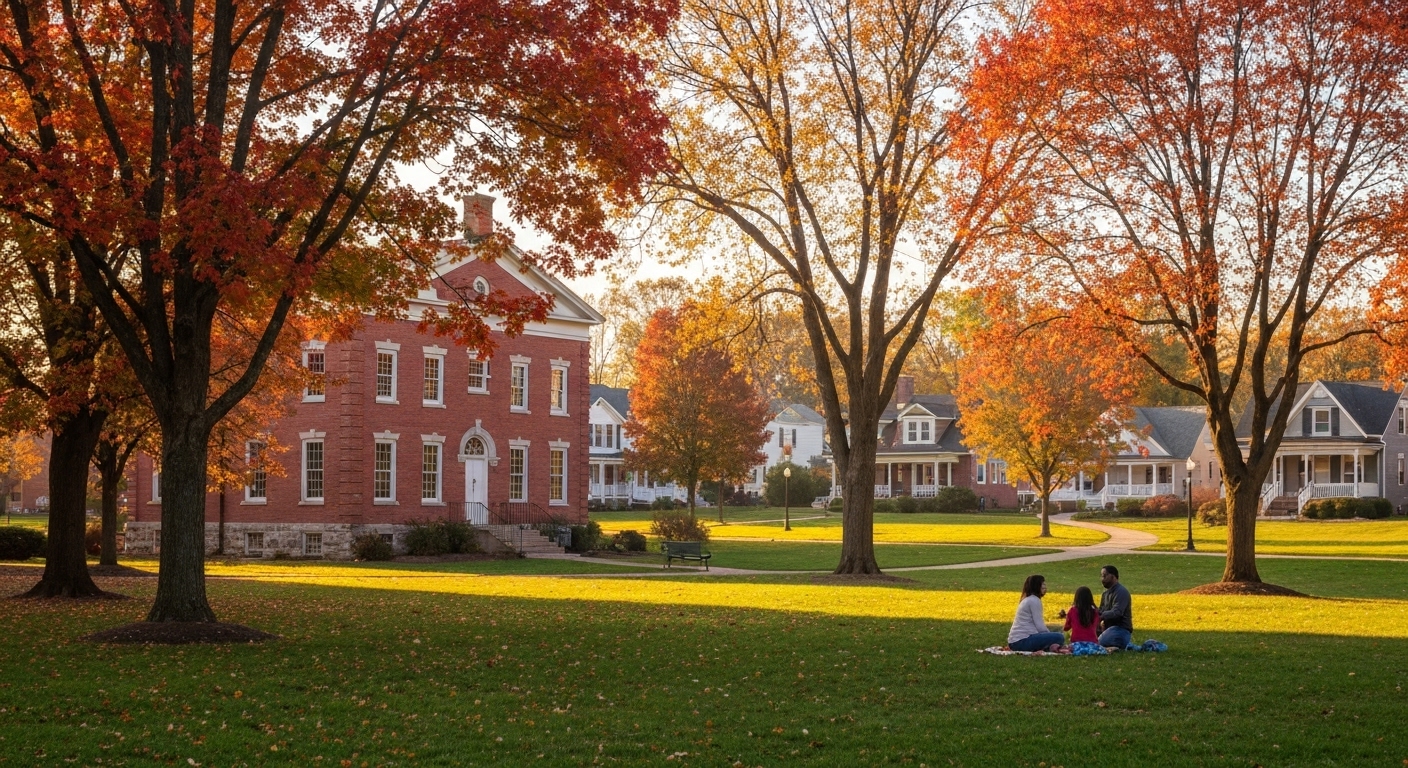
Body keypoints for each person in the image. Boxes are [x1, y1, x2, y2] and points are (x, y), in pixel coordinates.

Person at [1007, 574, 1064, 652]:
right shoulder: (1034, 600)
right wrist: (1049, 636)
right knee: (1059, 637)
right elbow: (1040, 626)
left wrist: (1048, 635)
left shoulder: (1028, 599)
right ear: (1037, 586)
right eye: (1043, 584)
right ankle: (1050, 646)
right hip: (1022, 642)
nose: (1045, 586)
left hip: (1015, 642)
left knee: (1058, 628)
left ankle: (1049, 646)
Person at [1097, 564, 1133, 648]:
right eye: (1101, 576)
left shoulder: (1121, 592)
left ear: (1113, 577)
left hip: (1120, 630)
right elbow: (1100, 610)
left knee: (1098, 642)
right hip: (1107, 630)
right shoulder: (1105, 594)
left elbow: (1117, 612)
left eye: (1104, 576)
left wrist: (1101, 615)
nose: (1102, 579)